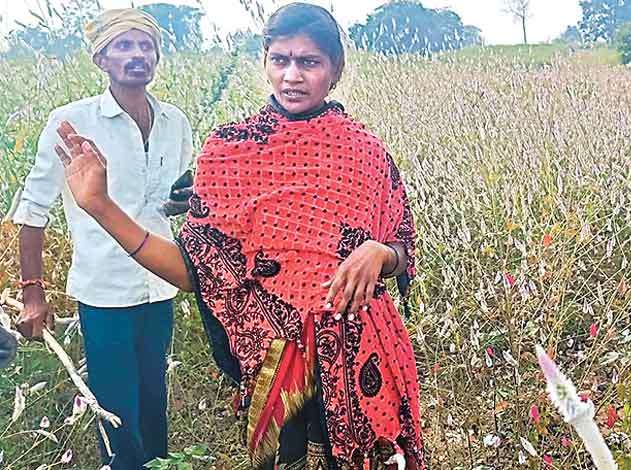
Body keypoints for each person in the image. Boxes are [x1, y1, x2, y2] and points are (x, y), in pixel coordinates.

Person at [54, 3, 423, 469]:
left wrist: (379, 253)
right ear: (265, 62)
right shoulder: (232, 150)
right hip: (277, 362)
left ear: (335, 70)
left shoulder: (364, 151)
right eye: (280, 59)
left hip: (363, 355)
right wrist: (100, 206)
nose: (292, 75)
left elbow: (402, 245)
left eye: (309, 62)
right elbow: (194, 273)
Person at [12, 9, 194, 469]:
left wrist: (183, 204)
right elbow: (32, 212)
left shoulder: (175, 122)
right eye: (123, 46)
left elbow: (176, 199)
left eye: (146, 46)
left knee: (154, 397)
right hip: (104, 292)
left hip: (160, 286)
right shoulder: (72, 121)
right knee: (116, 410)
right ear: (101, 60)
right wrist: (33, 295)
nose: (137, 55)